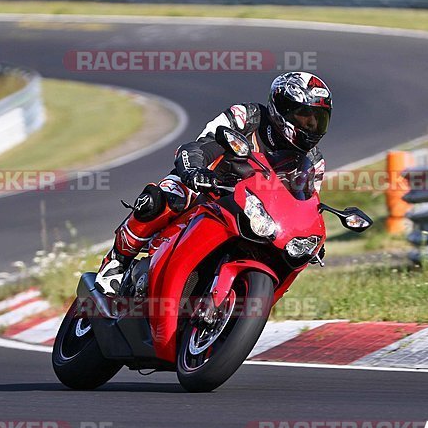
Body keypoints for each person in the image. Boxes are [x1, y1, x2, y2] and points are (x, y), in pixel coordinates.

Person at [95, 71, 332, 295]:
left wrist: (310, 237)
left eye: (317, 121)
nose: (310, 127)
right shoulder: (246, 116)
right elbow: (202, 144)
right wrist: (195, 170)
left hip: (254, 213)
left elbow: (306, 205)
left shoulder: (314, 162)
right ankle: (118, 259)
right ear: (283, 109)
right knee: (168, 197)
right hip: (208, 185)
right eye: (304, 116)